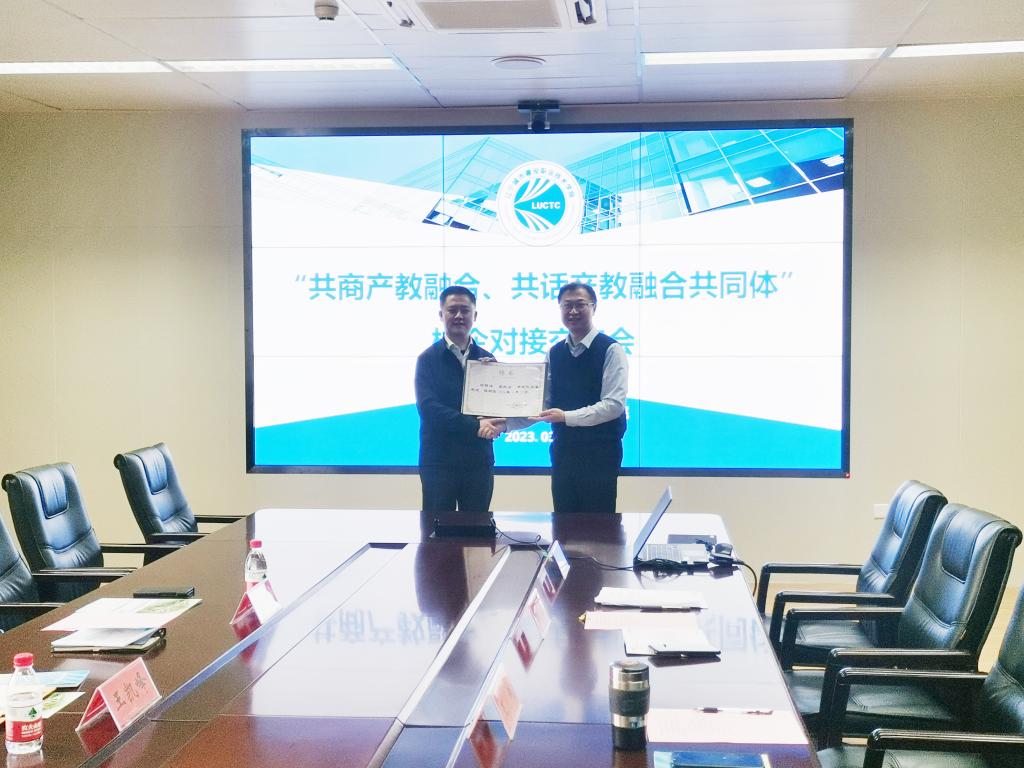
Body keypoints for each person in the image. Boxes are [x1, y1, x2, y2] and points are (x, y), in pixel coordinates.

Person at [535, 282, 627, 514]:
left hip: (600, 455)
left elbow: (614, 405)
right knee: (563, 524)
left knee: (599, 528)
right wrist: (504, 422)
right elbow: (541, 403)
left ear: (593, 307)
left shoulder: (611, 349)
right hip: (564, 453)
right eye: (567, 306)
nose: (573, 311)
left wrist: (566, 417)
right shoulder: (554, 352)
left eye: (580, 305)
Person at [415, 286, 505, 514]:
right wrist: (475, 425)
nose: (458, 316)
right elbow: (429, 409)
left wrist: (499, 421)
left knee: (477, 529)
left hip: (478, 461)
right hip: (438, 462)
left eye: (465, 310)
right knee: (436, 529)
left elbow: (496, 408)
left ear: (475, 315)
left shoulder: (487, 360)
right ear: (441, 315)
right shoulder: (427, 359)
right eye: (452, 310)